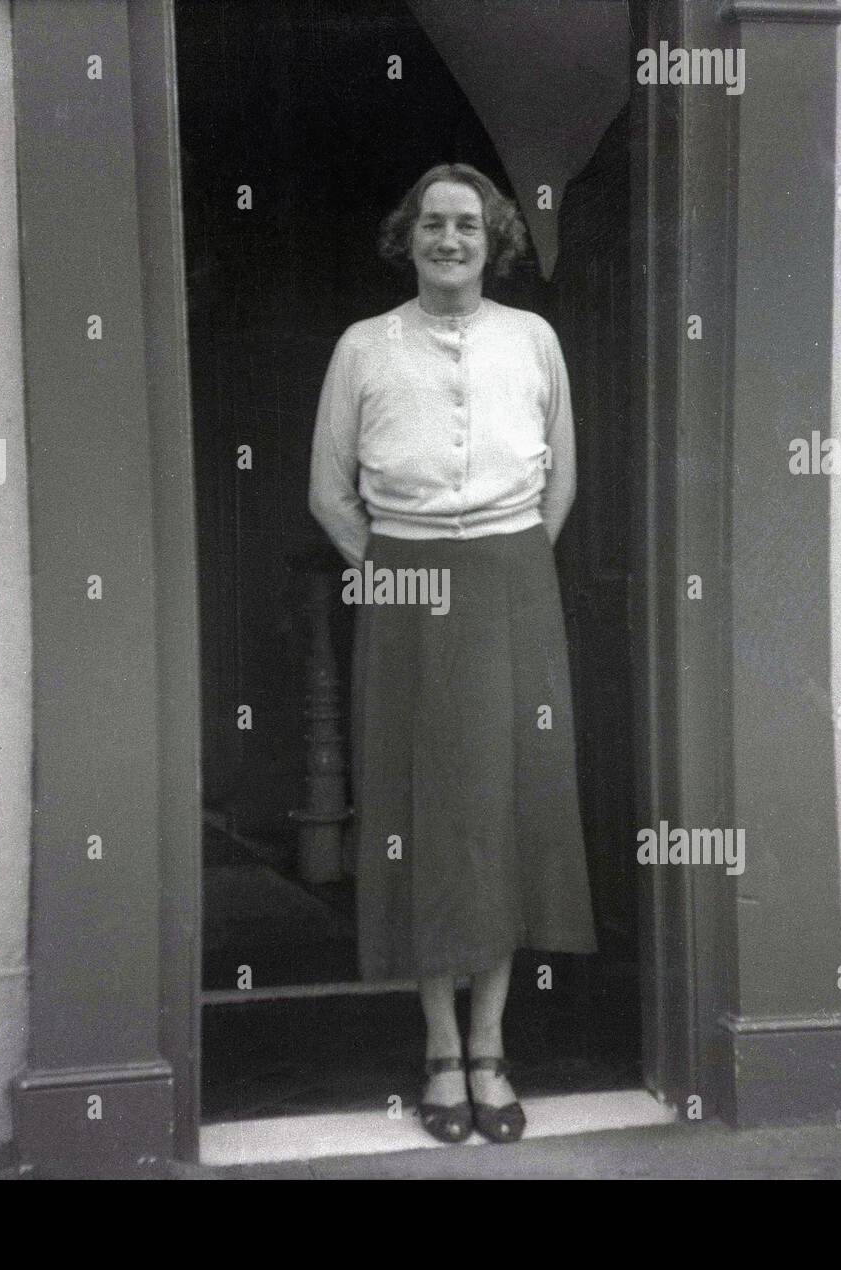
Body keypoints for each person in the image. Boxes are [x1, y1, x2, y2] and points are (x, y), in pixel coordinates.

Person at [308, 162, 598, 1144]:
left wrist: (505, 571)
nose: (448, 240)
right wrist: (398, 577)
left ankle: (491, 1044)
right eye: (431, 223)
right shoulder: (364, 347)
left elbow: (559, 480)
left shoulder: (534, 341)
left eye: (466, 225)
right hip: (404, 586)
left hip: (514, 582)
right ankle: (438, 1047)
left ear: (494, 239)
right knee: (423, 812)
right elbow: (328, 493)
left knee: (506, 806)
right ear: (409, 236)